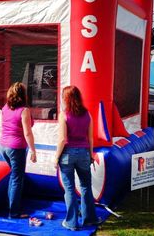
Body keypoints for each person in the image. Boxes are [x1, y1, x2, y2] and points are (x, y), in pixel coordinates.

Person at [54, 86, 101, 230]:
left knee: (69, 188)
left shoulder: (64, 115)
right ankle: (90, 219)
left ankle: (71, 222)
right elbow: (91, 138)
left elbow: (62, 139)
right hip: (84, 153)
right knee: (86, 186)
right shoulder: (87, 114)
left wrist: (56, 158)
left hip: (67, 154)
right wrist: (91, 154)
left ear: (66, 98)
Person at [0, 82, 37, 219]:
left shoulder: (5, 108)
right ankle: (14, 212)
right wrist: (33, 150)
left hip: (3, 146)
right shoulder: (24, 111)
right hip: (16, 147)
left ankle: (10, 206)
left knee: (14, 176)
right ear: (23, 95)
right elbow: (27, 133)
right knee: (17, 179)